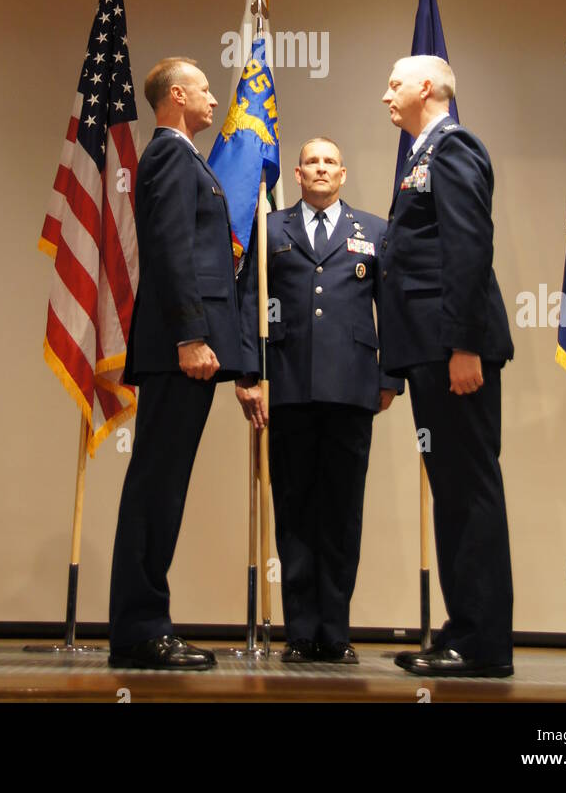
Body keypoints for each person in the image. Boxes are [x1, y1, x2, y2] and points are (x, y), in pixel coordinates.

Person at [109, 57, 258, 671]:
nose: (211, 98)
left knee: (164, 486)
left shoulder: (185, 157)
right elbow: (170, 250)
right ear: (176, 94)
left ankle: (144, 624)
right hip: (180, 353)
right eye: (201, 87)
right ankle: (142, 629)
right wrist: (190, 337)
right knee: (156, 486)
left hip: (186, 351)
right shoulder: (171, 155)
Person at [238, 137, 402, 664]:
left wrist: (391, 376)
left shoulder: (374, 231)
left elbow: (390, 308)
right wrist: (248, 373)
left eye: (331, 161)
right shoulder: (271, 229)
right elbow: (250, 305)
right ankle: (300, 631)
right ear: (299, 172)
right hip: (286, 387)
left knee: (341, 513)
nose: (322, 168)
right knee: (293, 510)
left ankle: (336, 630)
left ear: (344, 173)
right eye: (313, 161)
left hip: (353, 391)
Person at [380, 55, 514, 678]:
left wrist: (463, 345)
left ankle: (482, 646)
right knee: (454, 493)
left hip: (452, 348)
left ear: (426, 88)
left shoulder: (454, 148)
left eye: (395, 84)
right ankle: (463, 634)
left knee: (469, 491)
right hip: (430, 348)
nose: (387, 95)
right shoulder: (420, 156)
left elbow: (467, 245)